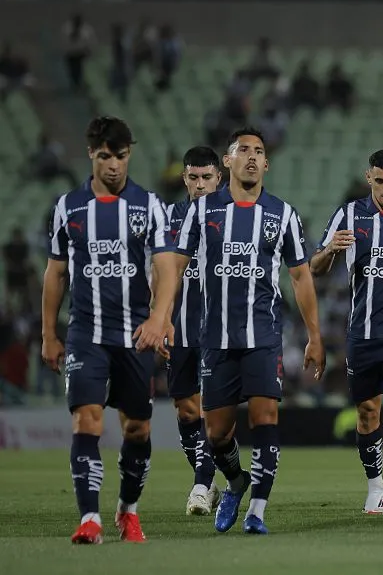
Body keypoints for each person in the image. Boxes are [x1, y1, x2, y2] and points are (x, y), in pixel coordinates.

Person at [136, 127, 326, 536]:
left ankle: (257, 510)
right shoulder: (201, 213)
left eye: (259, 151)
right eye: (244, 150)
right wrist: (162, 316)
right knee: (217, 433)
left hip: (263, 335)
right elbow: (175, 266)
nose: (252, 157)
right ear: (228, 161)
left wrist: (314, 335)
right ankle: (237, 482)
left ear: (267, 163)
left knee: (265, 417)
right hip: (215, 339)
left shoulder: (282, 214)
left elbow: (300, 277)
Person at [41, 116, 170, 544]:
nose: (114, 165)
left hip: (135, 334)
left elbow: (167, 269)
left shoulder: (148, 205)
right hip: (86, 333)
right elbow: (56, 273)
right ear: (91, 155)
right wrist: (49, 334)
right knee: (87, 420)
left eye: (121, 156)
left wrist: (159, 318)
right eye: (105, 157)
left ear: (129, 155)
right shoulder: (68, 207)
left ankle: (127, 510)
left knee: (137, 429)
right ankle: (89, 518)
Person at [310, 149, 383, 516]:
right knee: (366, 413)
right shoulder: (350, 214)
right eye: (380, 181)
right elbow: (314, 266)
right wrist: (330, 249)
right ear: (369, 179)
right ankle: (374, 486)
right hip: (362, 333)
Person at [165, 146, 223, 516]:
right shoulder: (169, 217)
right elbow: (158, 273)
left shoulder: (233, 217)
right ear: (185, 178)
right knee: (186, 412)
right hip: (180, 330)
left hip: (220, 332)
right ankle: (210, 481)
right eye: (193, 177)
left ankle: (201, 485)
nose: (200, 185)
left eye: (207, 178)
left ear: (219, 178)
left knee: (212, 412)